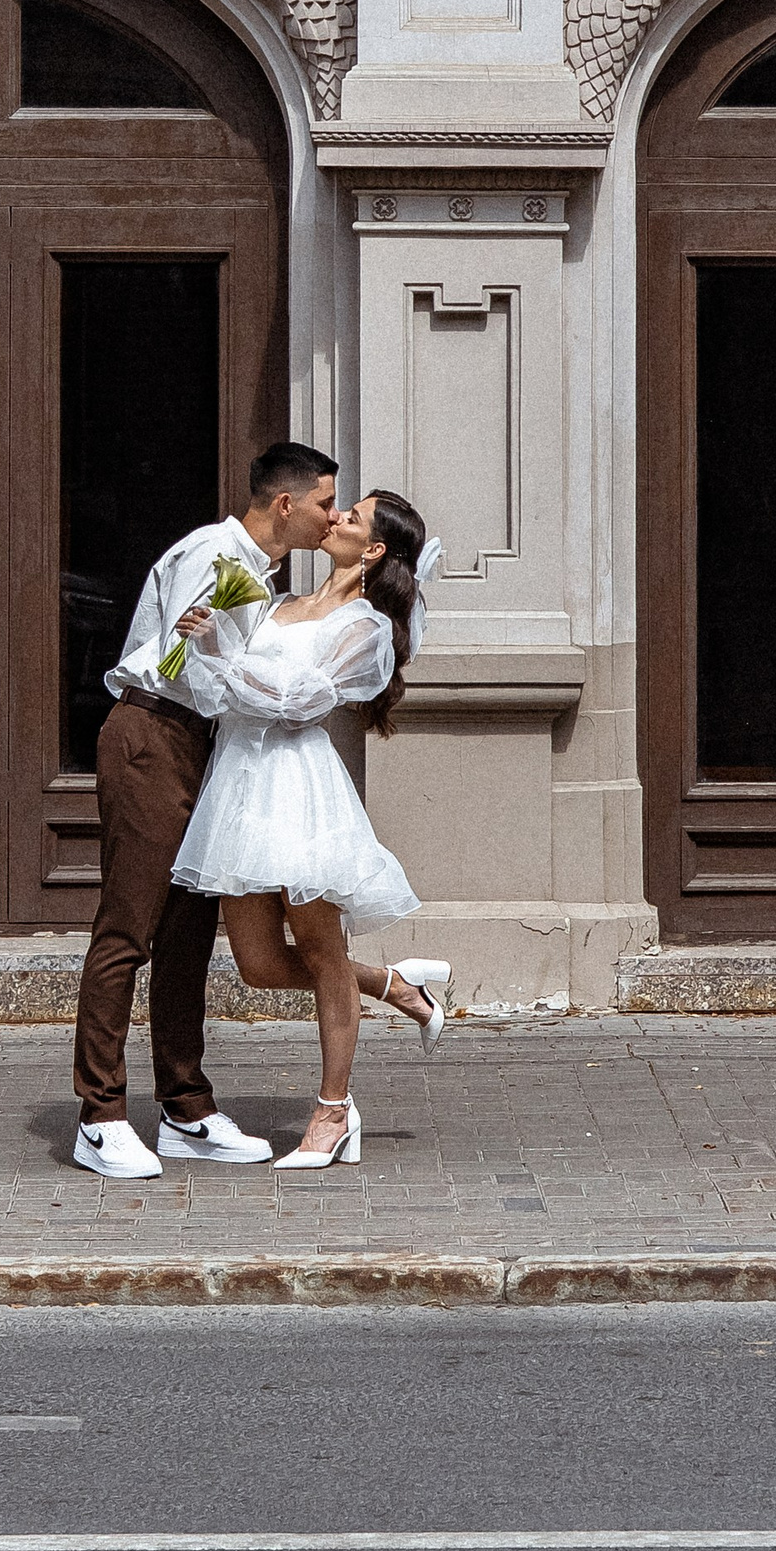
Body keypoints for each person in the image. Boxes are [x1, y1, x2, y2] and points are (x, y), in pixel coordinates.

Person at [71, 438, 340, 1179]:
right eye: (325, 502)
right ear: (285, 503)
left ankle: (185, 1108)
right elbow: (178, 663)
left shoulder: (262, 577)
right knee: (129, 927)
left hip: (203, 744)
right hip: (153, 733)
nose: (333, 517)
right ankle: (98, 1116)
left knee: (189, 931)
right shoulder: (213, 557)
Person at [171, 487, 451, 1171]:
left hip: (295, 787)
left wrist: (222, 657)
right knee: (258, 965)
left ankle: (333, 1111)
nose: (336, 519)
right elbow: (218, 696)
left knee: (322, 952)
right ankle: (391, 984)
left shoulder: (365, 628)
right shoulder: (281, 605)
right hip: (239, 784)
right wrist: (204, 645)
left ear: (375, 549)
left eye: (351, 517)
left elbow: (298, 704)